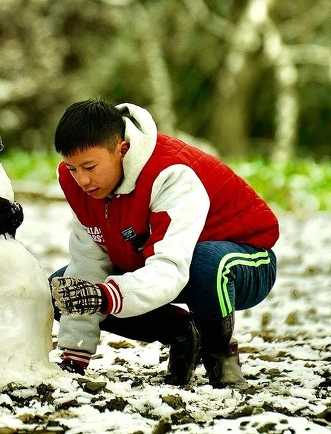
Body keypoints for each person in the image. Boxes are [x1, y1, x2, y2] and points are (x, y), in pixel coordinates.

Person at [50, 100, 279, 388]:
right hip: (154, 259)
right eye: (72, 168)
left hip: (241, 261)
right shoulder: (83, 186)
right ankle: (182, 332)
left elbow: (170, 266)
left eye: (90, 167)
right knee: (64, 288)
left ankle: (220, 355)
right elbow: (88, 261)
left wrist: (105, 296)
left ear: (122, 149)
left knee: (205, 264)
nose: (81, 179)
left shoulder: (171, 174)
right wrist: (75, 355)